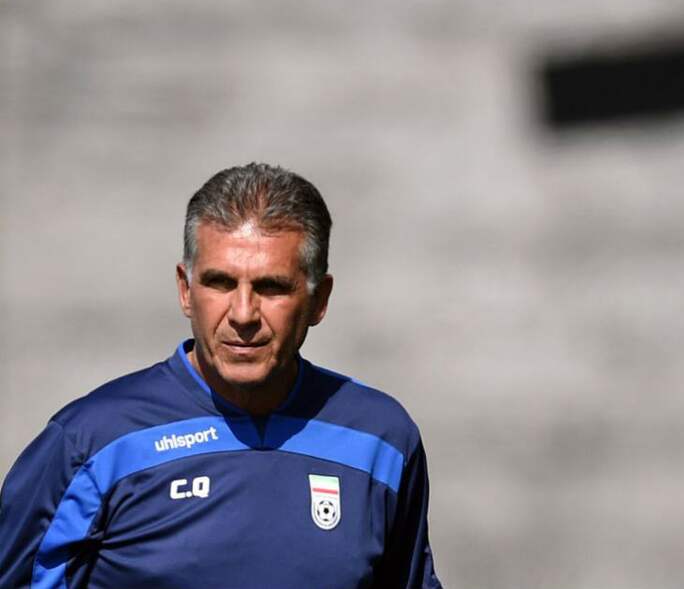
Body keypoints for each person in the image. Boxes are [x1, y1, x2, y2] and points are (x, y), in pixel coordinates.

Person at [0, 163, 443, 588]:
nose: (243, 314)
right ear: (185, 290)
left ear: (319, 300)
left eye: (271, 287)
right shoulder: (91, 444)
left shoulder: (381, 441)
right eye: (220, 283)